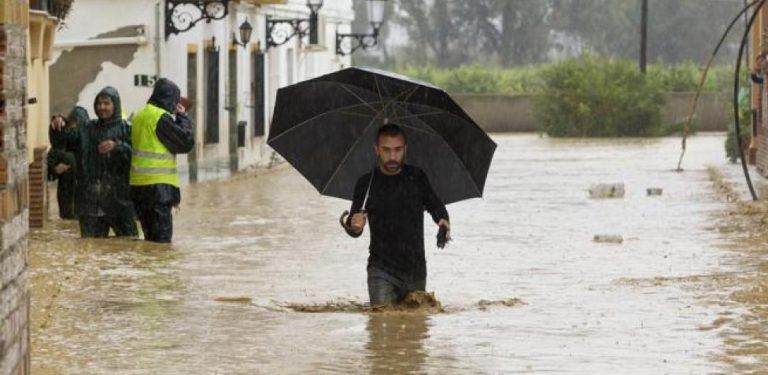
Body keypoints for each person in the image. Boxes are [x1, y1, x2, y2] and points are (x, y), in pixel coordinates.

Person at [343, 124, 450, 307]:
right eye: (386, 150)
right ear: (376, 149)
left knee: (414, 331)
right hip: (381, 270)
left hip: (415, 272)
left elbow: (437, 207)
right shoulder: (366, 183)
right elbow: (354, 228)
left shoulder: (416, 177)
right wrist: (354, 225)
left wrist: (443, 222)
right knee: (382, 326)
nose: (392, 157)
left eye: (398, 150)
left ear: (405, 149)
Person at [49, 87, 138, 238]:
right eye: (99, 103)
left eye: (106, 103)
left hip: (120, 200)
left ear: (115, 105)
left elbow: (136, 156)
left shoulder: (126, 128)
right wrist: (59, 124)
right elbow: (62, 142)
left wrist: (117, 147)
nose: (102, 107)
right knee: (91, 246)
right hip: (90, 201)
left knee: (129, 244)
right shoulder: (87, 128)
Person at [130, 78, 194, 243]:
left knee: (150, 240)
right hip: (158, 189)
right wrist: (183, 118)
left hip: (138, 187)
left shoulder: (139, 116)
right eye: (175, 101)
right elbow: (185, 143)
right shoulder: (159, 118)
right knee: (162, 243)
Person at [48, 106, 88, 219]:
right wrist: (56, 170)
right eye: (74, 124)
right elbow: (48, 174)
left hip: (84, 205)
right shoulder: (61, 147)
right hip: (67, 203)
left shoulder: (90, 146)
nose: (76, 128)